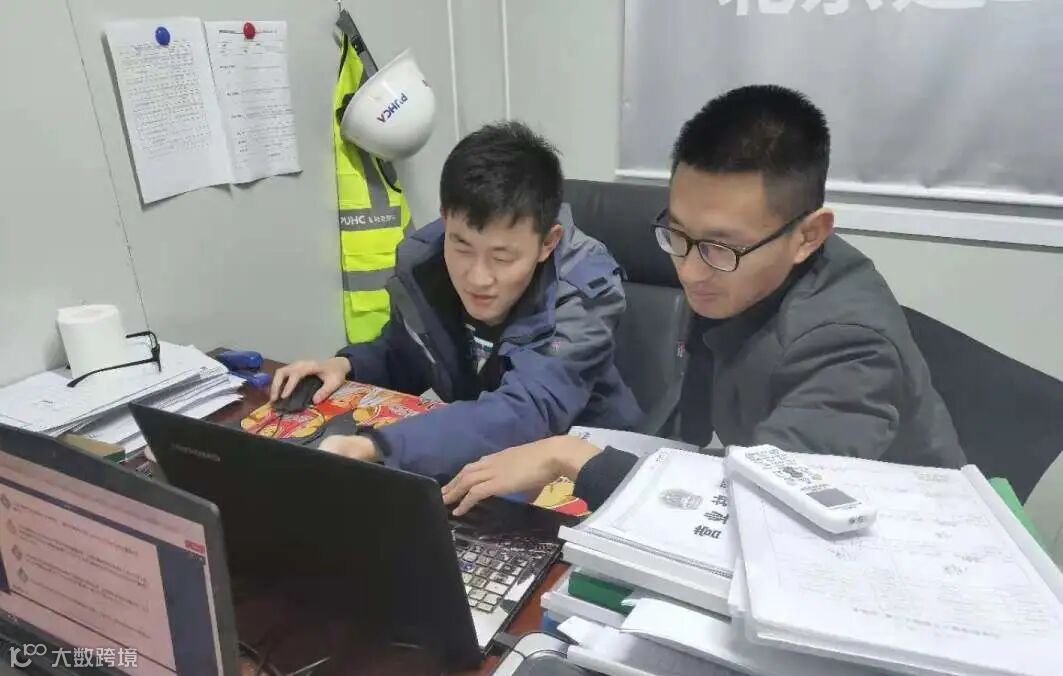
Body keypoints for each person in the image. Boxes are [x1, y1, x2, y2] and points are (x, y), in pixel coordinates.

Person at [442, 85, 967, 516]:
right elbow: (693, 438)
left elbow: (756, 508)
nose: (690, 272)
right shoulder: (732, 276)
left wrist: (573, 459)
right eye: (678, 233)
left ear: (808, 235)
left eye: (721, 247)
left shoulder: (847, 347)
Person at [270, 121, 641, 479]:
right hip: (483, 454)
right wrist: (345, 365)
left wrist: (378, 446)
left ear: (548, 242)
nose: (477, 278)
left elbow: (527, 410)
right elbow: (408, 353)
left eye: (502, 257)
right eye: (462, 247)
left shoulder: (586, 288)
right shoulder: (426, 260)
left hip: (587, 462)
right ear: (445, 219)